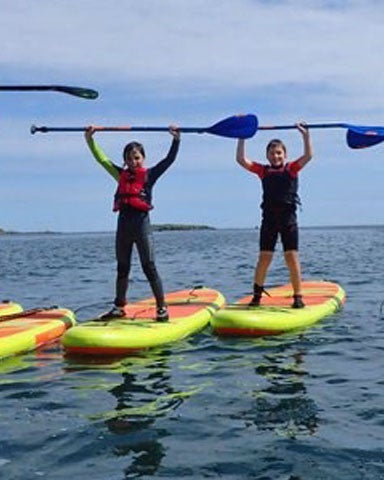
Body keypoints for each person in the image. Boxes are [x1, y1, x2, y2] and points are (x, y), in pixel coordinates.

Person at [84, 125, 181, 321]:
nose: (133, 161)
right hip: (124, 226)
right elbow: (101, 159)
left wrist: (176, 140)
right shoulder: (120, 175)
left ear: (143, 158)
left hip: (142, 226)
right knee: (122, 267)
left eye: (136, 157)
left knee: (149, 266)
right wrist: (90, 139)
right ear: (125, 160)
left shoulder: (149, 175)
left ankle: (161, 308)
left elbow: (169, 160)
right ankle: (119, 308)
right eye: (129, 158)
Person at [235, 122, 313, 308]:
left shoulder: (292, 169)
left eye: (279, 153)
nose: (275, 156)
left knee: (291, 257)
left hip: (288, 221)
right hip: (269, 220)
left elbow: (309, 156)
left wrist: (305, 135)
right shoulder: (263, 171)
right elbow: (241, 159)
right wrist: (242, 136)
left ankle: (298, 297)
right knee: (264, 258)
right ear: (267, 156)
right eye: (272, 153)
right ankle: (256, 296)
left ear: (284, 155)